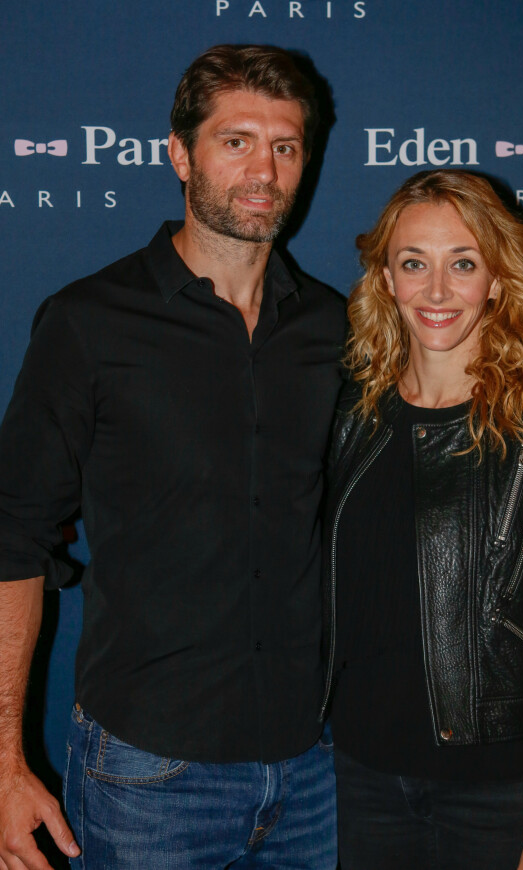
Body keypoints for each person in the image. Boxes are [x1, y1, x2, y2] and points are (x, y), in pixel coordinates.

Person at [0, 45, 345, 870]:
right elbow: (11, 538)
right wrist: (3, 760)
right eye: (237, 141)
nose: (264, 169)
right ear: (180, 153)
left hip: (320, 771)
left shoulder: (338, 330)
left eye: (286, 146)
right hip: (147, 778)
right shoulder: (89, 323)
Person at [323, 169, 523, 869]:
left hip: (499, 793)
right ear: (386, 278)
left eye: (462, 264)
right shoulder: (353, 414)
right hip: (359, 780)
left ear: (497, 279)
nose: (437, 292)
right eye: (415, 264)